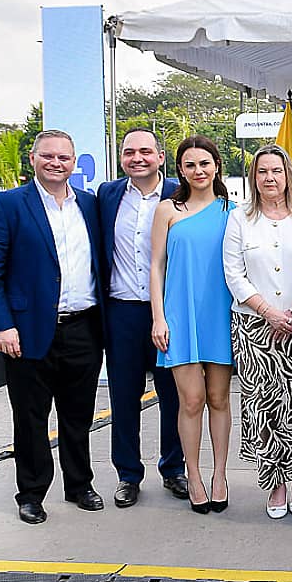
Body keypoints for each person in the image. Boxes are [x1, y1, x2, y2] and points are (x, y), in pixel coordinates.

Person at [0, 129, 105, 524]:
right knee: (30, 418)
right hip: (26, 331)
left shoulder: (90, 204)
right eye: (47, 156)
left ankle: (79, 484)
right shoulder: (8, 205)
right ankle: (31, 493)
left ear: (74, 161)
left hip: (83, 327)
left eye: (64, 157)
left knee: (78, 414)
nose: (56, 163)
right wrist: (2, 325)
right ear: (33, 159)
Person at [223, 144, 292, 520]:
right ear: (254, 178)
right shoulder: (240, 219)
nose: (270, 178)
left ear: (289, 176)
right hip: (255, 326)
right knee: (264, 407)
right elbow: (233, 273)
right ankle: (275, 483)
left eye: (277, 171)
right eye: (262, 171)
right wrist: (268, 311)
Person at [96, 128, 188, 508]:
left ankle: (173, 469)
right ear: (122, 159)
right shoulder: (107, 195)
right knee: (123, 396)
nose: (138, 158)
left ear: (161, 157)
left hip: (169, 313)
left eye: (146, 151)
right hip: (122, 311)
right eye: (130, 152)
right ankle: (128, 475)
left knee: (174, 395)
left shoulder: (180, 195)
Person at [150, 135, 236, 514]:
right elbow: (156, 266)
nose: (198, 171)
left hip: (221, 315)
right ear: (180, 169)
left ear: (216, 165)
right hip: (180, 316)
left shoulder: (233, 211)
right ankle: (194, 475)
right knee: (191, 400)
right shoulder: (168, 209)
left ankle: (220, 474)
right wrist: (158, 317)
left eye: (205, 163)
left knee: (218, 399)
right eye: (190, 165)